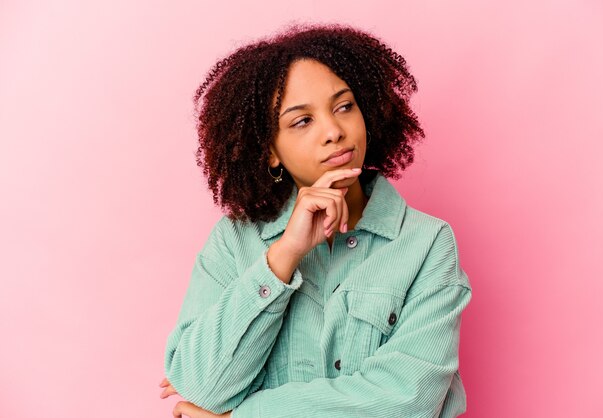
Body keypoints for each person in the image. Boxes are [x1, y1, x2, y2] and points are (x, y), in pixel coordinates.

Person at [159, 23, 472, 418]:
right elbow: (201, 385)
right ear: (270, 151)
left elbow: (408, 399)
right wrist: (284, 255)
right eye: (302, 121)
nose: (334, 131)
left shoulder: (427, 244)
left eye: (344, 106)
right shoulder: (234, 240)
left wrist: (244, 416)